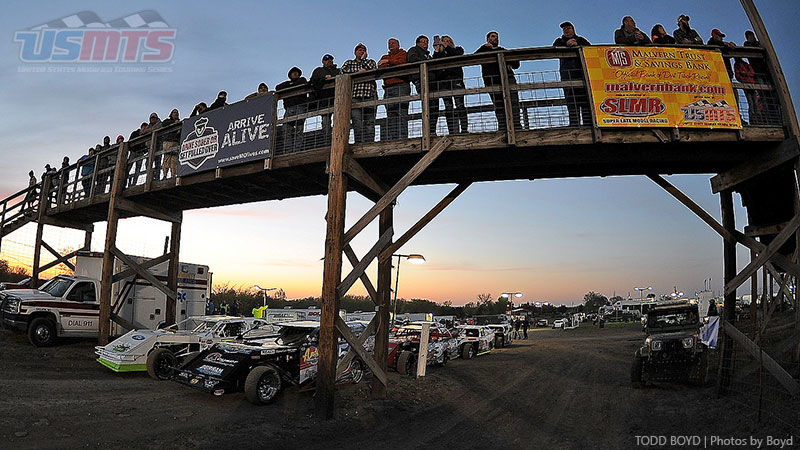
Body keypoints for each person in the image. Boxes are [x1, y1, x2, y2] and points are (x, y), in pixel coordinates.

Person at [475, 30, 521, 132]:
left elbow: (516, 63)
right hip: (492, 82)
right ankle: (503, 128)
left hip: (508, 80)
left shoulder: (502, 50)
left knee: (514, 104)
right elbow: (475, 58)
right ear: (488, 39)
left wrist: (508, 62)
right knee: (499, 106)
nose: (495, 38)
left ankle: (517, 126)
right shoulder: (483, 50)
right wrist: (484, 47)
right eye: (493, 36)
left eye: (496, 36)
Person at [553, 21, 592, 127]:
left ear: (573, 29)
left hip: (582, 75)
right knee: (571, 104)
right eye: (564, 29)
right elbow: (554, 48)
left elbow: (590, 49)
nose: (566, 30)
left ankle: (588, 125)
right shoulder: (559, 41)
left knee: (585, 103)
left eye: (568, 28)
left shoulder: (581, 40)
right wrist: (566, 44)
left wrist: (577, 44)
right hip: (567, 77)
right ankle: (574, 126)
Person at [341, 43, 378, 144]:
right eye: (359, 50)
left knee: (370, 122)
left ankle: (369, 143)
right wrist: (359, 71)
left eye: (363, 50)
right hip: (354, 97)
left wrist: (364, 61)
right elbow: (342, 72)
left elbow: (373, 69)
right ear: (355, 52)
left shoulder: (371, 61)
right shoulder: (349, 62)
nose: (361, 52)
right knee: (357, 122)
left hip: (369, 95)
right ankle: (359, 143)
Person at [433, 35, 469, 135]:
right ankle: (452, 131)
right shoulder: (439, 53)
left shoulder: (457, 49)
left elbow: (457, 55)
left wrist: (447, 47)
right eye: (444, 41)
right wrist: (437, 51)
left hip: (455, 80)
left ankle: (464, 129)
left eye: (448, 41)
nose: (446, 42)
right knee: (448, 107)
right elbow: (434, 63)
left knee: (460, 105)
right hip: (443, 82)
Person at [407, 35, 440, 136]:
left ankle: (432, 131)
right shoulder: (413, 50)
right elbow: (412, 59)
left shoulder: (428, 55)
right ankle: (427, 132)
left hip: (432, 82)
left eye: (427, 42)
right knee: (427, 106)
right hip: (421, 80)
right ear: (418, 43)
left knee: (435, 107)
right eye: (423, 41)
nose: (425, 43)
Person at [378, 38, 409, 140]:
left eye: (393, 43)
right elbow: (380, 67)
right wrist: (391, 62)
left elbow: (402, 62)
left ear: (398, 45)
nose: (391, 45)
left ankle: (402, 139)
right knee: (391, 114)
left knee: (401, 113)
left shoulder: (403, 53)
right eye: (389, 43)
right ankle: (393, 139)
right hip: (388, 88)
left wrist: (388, 62)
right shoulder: (385, 56)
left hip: (401, 86)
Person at [276, 67, 309, 152]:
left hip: (300, 107)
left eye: (296, 73)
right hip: (289, 108)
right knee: (286, 129)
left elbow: (303, 83)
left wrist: (290, 86)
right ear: (290, 75)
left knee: (299, 129)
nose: (295, 74)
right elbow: (278, 87)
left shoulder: (302, 80)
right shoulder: (287, 83)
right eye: (293, 73)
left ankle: (297, 149)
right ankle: (288, 150)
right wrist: (291, 85)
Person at [310, 54, 339, 145]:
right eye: (326, 59)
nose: (329, 61)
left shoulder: (337, 71)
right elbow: (312, 81)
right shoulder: (318, 70)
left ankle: (337, 141)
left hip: (337, 98)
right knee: (326, 122)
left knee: (338, 120)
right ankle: (327, 142)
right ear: (323, 61)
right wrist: (324, 78)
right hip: (324, 100)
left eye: (330, 59)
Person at [734, 57, 761, 124]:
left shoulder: (743, 64)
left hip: (749, 84)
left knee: (754, 102)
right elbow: (738, 76)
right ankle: (754, 120)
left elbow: (751, 73)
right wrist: (746, 75)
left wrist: (744, 74)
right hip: (747, 84)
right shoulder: (739, 65)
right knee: (751, 102)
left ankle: (757, 119)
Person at [160, 108, 181, 178]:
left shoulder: (179, 122)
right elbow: (163, 124)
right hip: (168, 141)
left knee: (174, 160)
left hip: (176, 142)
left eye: (177, 113)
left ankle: (173, 176)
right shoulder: (168, 121)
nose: (176, 114)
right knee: (167, 159)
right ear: (171, 114)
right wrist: (174, 122)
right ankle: (165, 176)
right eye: (174, 112)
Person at [128, 122, 148, 186]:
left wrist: (144, 150)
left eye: (146, 129)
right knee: (128, 167)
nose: (145, 130)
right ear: (141, 127)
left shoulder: (146, 136)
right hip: (133, 152)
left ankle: (134, 183)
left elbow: (146, 145)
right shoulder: (135, 133)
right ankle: (124, 181)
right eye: (144, 128)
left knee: (138, 169)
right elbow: (130, 142)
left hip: (140, 153)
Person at [146, 112, 163, 179]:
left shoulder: (159, 123)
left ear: (156, 118)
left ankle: (157, 177)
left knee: (157, 162)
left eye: (154, 118)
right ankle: (150, 176)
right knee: (148, 163)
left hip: (158, 145)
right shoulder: (149, 125)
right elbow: (142, 132)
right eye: (151, 118)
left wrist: (148, 131)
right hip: (150, 147)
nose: (153, 119)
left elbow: (156, 128)